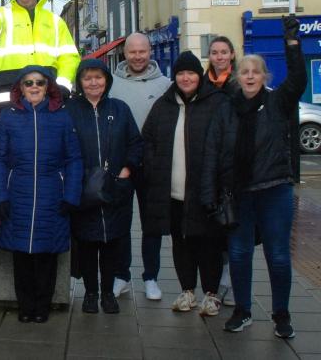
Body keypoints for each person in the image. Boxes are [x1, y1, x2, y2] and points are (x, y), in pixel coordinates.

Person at [202, 16, 306, 338]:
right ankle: (243, 311)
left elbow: (299, 79)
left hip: (274, 190)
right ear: (238, 76)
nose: (249, 76)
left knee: (277, 254)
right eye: (244, 71)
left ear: (264, 76)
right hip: (238, 193)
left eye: (255, 71)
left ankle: (281, 315)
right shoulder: (227, 108)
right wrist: (210, 193)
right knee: (239, 253)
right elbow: (213, 150)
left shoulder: (278, 103)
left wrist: (291, 44)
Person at [141, 51, 228, 316]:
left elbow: (226, 145)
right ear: (175, 77)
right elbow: (148, 141)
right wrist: (154, 166)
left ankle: (211, 294)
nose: (186, 78)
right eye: (181, 73)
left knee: (209, 244)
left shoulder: (216, 103)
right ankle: (187, 290)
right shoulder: (164, 105)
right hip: (174, 192)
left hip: (205, 192)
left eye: (191, 73)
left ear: (199, 76)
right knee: (181, 243)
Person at [0, 65, 83, 323]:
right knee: (21, 255)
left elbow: (73, 159)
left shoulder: (62, 117)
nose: (34, 87)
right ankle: (25, 306)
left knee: (46, 254)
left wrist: (71, 194)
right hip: (18, 193)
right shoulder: (9, 117)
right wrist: (1, 195)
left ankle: (42, 306)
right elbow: (0, 159)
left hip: (51, 193)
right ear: (20, 87)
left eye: (40, 83)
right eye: (29, 83)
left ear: (48, 87)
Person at [64, 59, 142, 314]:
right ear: (80, 82)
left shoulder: (120, 109)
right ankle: (90, 293)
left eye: (98, 77)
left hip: (115, 189)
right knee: (87, 243)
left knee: (112, 243)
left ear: (107, 80)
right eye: (88, 78)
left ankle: (108, 293)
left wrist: (126, 170)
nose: (93, 82)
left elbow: (135, 143)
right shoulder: (70, 110)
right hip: (84, 189)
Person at [108, 32, 171, 301]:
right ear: (124, 53)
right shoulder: (112, 86)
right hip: (122, 165)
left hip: (153, 165)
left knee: (152, 224)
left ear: (150, 51)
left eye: (142, 52)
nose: (137, 57)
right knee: (120, 222)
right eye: (132, 52)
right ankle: (121, 275)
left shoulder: (166, 85)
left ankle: (151, 277)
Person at [202, 35, 239, 308]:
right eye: (215, 52)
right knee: (215, 227)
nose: (219, 57)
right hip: (209, 163)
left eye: (224, 52)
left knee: (234, 226)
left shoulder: (239, 84)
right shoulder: (204, 85)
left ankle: (232, 281)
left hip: (234, 166)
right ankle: (220, 279)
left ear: (232, 55)